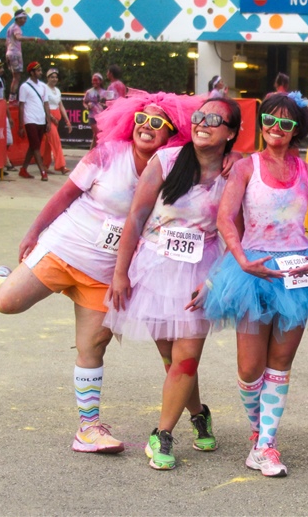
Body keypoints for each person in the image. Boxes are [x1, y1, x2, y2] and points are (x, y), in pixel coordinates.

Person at [0, 92, 200, 455]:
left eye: (157, 123)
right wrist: (33, 232)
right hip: (63, 248)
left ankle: (88, 429)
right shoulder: (106, 156)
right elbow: (66, 194)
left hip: (105, 273)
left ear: (172, 134)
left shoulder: (173, 170)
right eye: (141, 120)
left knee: (93, 347)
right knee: (8, 304)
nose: (146, 128)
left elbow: (213, 170)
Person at [204, 92, 308, 477]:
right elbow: (225, 219)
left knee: (280, 363)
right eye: (271, 121)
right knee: (249, 366)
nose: (277, 129)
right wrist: (241, 260)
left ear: (296, 131)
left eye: (286, 124)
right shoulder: (244, 168)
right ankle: (258, 433)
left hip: (298, 271)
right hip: (251, 271)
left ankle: (265, 444)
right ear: (263, 125)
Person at [104, 97, 240, 470]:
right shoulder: (166, 160)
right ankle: (199, 413)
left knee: (186, 359)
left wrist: (214, 283)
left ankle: (162, 435)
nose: (203, 123)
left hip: (201, 273)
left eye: (215, 119)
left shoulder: (236, 173)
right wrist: (120, 272)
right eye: (199, 116)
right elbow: (136, 216)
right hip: (153, 269)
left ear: (230, 133)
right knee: (171, 358)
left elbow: (236, 235)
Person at [18, 61, 51, 181]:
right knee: (36, 147)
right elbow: (21, 105)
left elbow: (46, 104)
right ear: (31, 73)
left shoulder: (43, 86)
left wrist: (48, 119)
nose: (40, 72)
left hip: (41, 119)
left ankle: (23, 169)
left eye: (40, 70)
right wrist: (21, 125)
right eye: (38, 71)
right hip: (30, 119)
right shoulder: (25, 87)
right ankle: (43, 171)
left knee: (33, 146)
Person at [40, 69, 72, 175]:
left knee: (49, 144)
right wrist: (50, 117)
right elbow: (43, 105)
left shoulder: (57, 90)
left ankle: (45, 165)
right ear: (47, 78)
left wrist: (67, 120)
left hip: (56, 119)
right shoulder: (44, 89)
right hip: (48, 119)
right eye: (52, 77)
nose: (54, 79)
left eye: (56, 77)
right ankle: (61, 166)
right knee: (56, 142)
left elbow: (61, 105)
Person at [6, 9, 37, 102]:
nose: (25, 20)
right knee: (17, 77)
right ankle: (12, 98)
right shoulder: (16, 28)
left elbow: (6, 42)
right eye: (23, 18)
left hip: (9, 52)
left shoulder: (10, 28)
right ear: (18, 18)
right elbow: (18, 37)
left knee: (14, 76)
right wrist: (33, 39)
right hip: (15, 53)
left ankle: (12, 97)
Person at [83, 73, 107, 150]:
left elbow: (109, 103)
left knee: (95, 136)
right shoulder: (89, 92)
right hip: (92, 116)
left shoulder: (104, 92)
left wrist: (104, 105)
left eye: (96, 80)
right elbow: (84, 102)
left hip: (102, 116)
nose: (94, 82)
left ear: (100, 81)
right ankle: (97, 152)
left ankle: (91, 153)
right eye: (93, 80)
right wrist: (87, 107)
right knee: (97, 134)